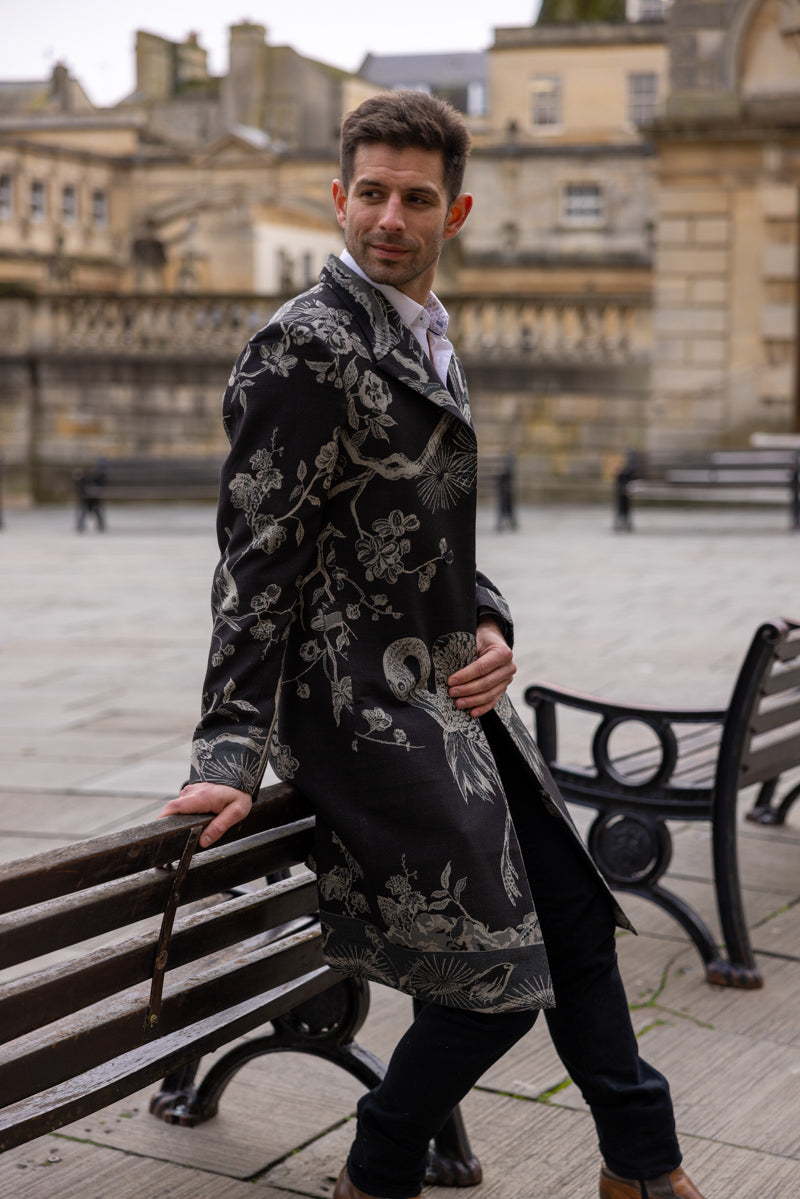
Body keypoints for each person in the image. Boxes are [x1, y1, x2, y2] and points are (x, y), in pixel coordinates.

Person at [160, 91, 705, 1199]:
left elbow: (432, 529)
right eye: (370, 194)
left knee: (576, 911)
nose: (389, 219)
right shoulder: (304, 346)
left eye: (414, 198)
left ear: (452, 210)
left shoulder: (425, 335)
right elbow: (255, 557)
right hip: (360, 715)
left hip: (445, 689)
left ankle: (641, 1168)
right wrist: (227, 748)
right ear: (338, 198)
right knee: (493, 976)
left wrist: (491, 618)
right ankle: (377, 1167)